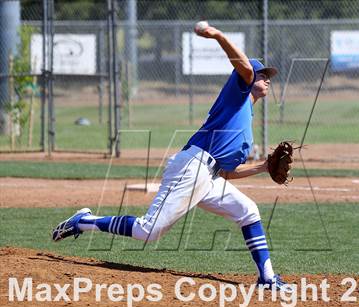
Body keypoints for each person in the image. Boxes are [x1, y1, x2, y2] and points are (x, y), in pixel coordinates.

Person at [52, 23, 291, 291]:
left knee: (248, 211)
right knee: (148, 231)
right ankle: (85, 221)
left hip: (208, 175)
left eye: (267, 76)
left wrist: (262, 167)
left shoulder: (245, 119)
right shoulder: (239, 94)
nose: (266, 79)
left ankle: (267, 278)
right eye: (262, 74)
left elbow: (225, 173)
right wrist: (217, 36)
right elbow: (244, 68)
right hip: (192, 166)